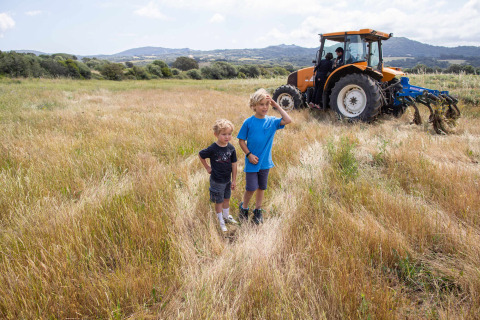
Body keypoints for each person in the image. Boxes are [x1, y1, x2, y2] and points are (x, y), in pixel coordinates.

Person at [237, 89, 292, 224]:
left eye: (267, 104)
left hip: (265, 163)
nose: (265, 107)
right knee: (251, 188)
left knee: (261, 187)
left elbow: (288, 120)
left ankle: (258, 211)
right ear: (253, 106)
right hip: (252, 162)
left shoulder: (272, 122)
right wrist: (249, 155)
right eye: (261, 104)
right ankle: (244, 208)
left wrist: (277, 105)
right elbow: (241, 141)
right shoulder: (248, 122)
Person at [199, 119, 238, 232]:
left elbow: (234, 164)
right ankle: (220, 220)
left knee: (226, 199)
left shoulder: (231, 148)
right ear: (216, 134)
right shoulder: (213, 148)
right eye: (224, 134)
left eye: (229, 134)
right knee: (219, 201)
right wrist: (207, 167)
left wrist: (234, 180)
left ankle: (226, 217)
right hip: (217, 180)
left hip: (227, 180)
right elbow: (201, 155)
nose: (227, 137)